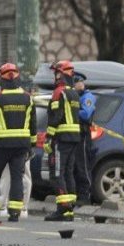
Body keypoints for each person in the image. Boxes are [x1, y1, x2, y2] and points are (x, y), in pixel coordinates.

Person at [0, 62, 35, 224]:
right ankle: (15, 213)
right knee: (17, 177)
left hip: (1, 146)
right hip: (21, 146)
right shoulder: (27, 98)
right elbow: (33, 124)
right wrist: (32, 145)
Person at [45, 60, 82, 221]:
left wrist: (49, 137)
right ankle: (69, 209)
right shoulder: (74, 93)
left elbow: (56, 117)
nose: (55, 76)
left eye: (57, 73)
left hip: (61, 139)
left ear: (61, 74)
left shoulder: (59, 92)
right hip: (74, 138)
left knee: (56, 173)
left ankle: (63, 209)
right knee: (67, 173)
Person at [73, 72, 96, 205]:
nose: (78, 84)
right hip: (75, 133)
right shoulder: (76, 97)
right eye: (76, 82)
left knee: (83, 165)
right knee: (75, 166)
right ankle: (77, 194)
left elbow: (86, 114)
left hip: (83, 134)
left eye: (79, 82)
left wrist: (72, 110)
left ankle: (85, 195)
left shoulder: (87, 97)